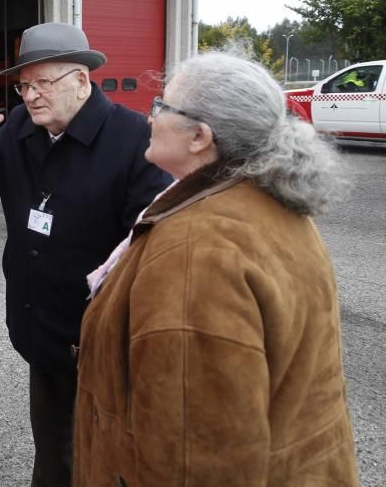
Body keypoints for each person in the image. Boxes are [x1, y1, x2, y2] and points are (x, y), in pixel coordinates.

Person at [73, 52, 360, 486]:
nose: (148, 117)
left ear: (199, 137)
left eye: (161, 107)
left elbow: (196, 459)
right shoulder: (270, 203)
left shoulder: (195, 253)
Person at [0, 22, 171, 486]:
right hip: (43, 326)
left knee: (109, 451)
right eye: (24, 85)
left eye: (43, 83)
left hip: (105, 339)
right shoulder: (21, 131)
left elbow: (153, 247)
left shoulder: (133, 141)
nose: (30, 95)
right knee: (54, 449)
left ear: (82, 81)